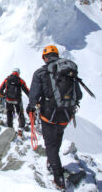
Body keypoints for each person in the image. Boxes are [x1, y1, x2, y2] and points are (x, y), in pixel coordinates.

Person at [26, 45, 82, 190]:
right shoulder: (69, 71)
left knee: (50, 145)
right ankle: (52, 161)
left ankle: (58, 178)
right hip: (66, 115)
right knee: (57, 137)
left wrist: (31, 108)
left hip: (48, 116)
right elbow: (79, 95)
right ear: (57, 55)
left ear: (45, 57)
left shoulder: (40, 73)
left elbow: (34, 95)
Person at [0, 68, 29, 137]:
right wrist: (32, 99)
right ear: (18, 73)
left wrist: (0, 97)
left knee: (9, 113)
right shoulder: (20, 80)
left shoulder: (7, 79)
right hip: (17, 101)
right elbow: (27, 90)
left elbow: (0, 89)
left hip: (8, 100)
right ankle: (20, 129)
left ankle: (10, 127)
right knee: (20, 113)